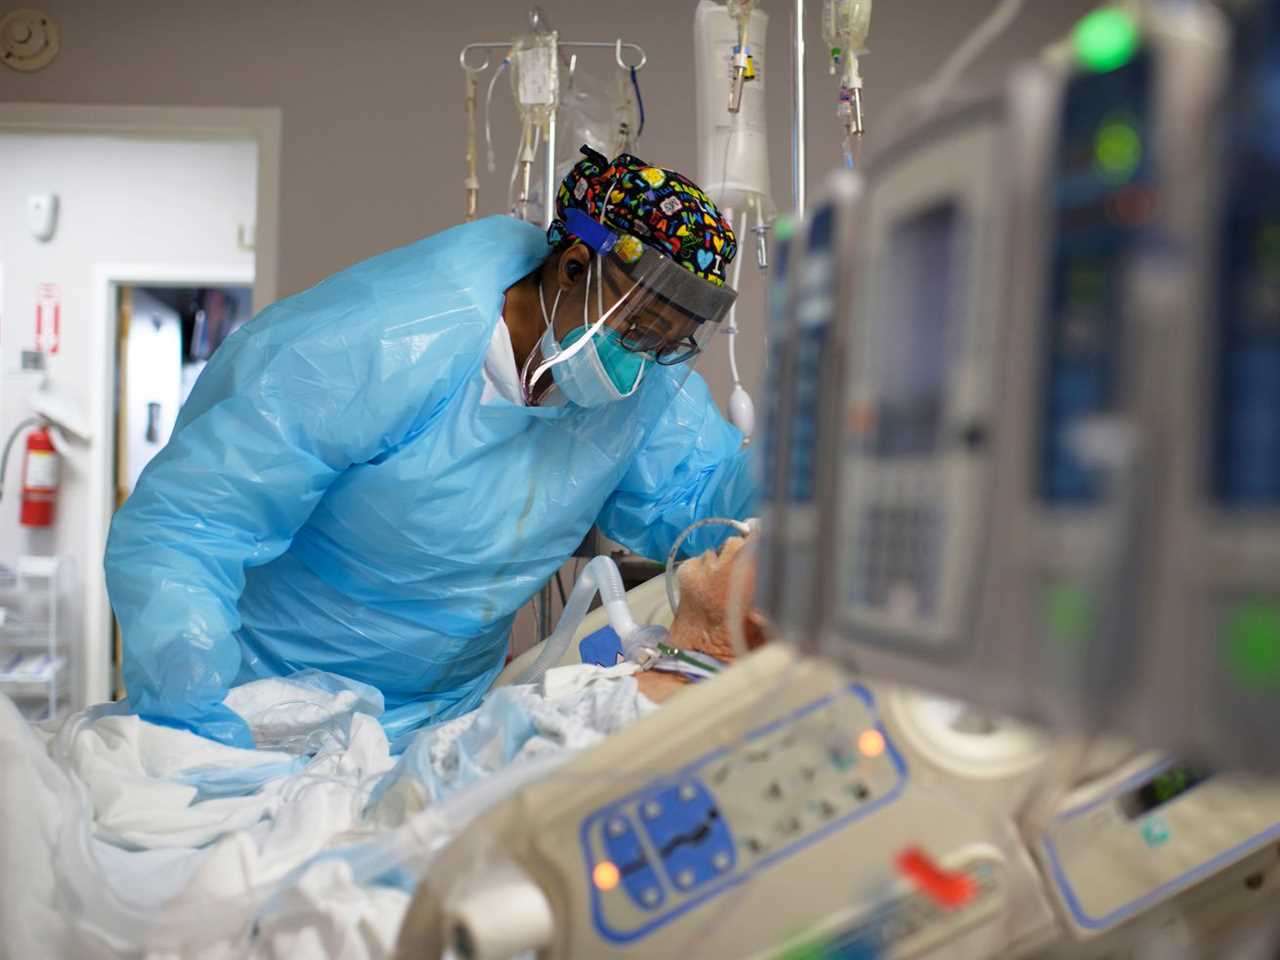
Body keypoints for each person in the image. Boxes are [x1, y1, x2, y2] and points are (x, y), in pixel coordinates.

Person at [106, 147, 757, 749]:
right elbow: (191, 524)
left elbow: (705, 505)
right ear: (574, 265)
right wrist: (193, 710)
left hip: (446, 723)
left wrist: (804, 461)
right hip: (264, 700)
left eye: (667, 343)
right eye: (638, 328)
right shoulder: (386, 338)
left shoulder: (642, 386)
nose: (640, 363)